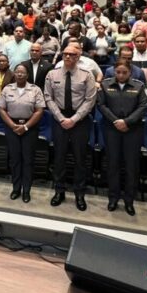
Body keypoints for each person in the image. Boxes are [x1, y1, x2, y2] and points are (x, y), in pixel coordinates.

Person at [44, 45, 98, 211]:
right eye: (65, 54)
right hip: (60, 119)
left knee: (80, 159)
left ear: (78, 56)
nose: (67, 57)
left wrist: (74, 119)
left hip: (79, 120)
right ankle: (59, 191)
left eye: (72, 54)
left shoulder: (86, 75)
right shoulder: (52, 74)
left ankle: (79, 193)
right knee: (59, 158)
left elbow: (90, 100)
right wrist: (61, 118)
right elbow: (48, 97)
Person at [97, 59, 147, 216]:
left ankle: (129, 200)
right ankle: (113, 198)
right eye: (118, 72)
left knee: (131, 166)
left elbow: (143, 106)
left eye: (124, 72)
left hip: (132, 130)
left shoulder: (139, 86)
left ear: (130, 72)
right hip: (112, 129)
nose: (120, 75)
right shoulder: (105, 85)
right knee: (113, 164)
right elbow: (101, 105)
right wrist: (116, 121)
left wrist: (127, 121)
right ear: (114, 71)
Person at [0, 63, 46, 203]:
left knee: (28, 160)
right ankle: (16, 188)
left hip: (30, 128)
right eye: (17, 72)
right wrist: (12, 125)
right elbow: (2, 109)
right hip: (11, 127)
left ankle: (26, 190)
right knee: (15, 160)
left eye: (22, 72)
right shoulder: (7, 89)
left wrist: (25, 126)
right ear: (14, 74)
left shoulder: (35, 89)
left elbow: (39, 111)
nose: (19, 74)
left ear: (27, 75)